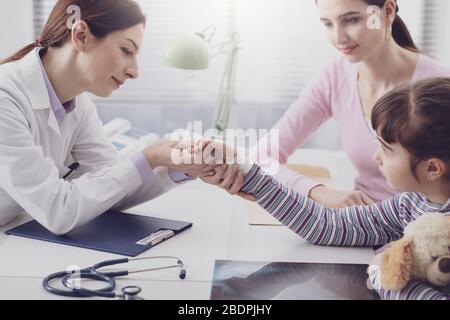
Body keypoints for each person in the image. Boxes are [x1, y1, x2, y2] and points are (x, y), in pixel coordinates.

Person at [203, 0, 450, 208]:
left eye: (351, 20)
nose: (338, 38)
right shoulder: (335, 76)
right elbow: (261, 156)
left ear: (387, 12)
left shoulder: (439, 85)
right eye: (328, 24)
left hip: (424, 237)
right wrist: (318, 192)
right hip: (359, 226)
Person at [0, 0, 215, 234]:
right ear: (81, 36)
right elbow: (59, 210)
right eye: (126, 50)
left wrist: (178, 165)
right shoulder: (5, 98)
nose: (135, 71)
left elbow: (114, 190)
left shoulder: (78, 103)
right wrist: (150, 155)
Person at [227, 77, 450, 300]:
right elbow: (328, 225)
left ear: (432, 168)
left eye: (386, 149)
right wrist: (249, 176)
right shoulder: (410, 204)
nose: (376, 157)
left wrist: (380, 274)